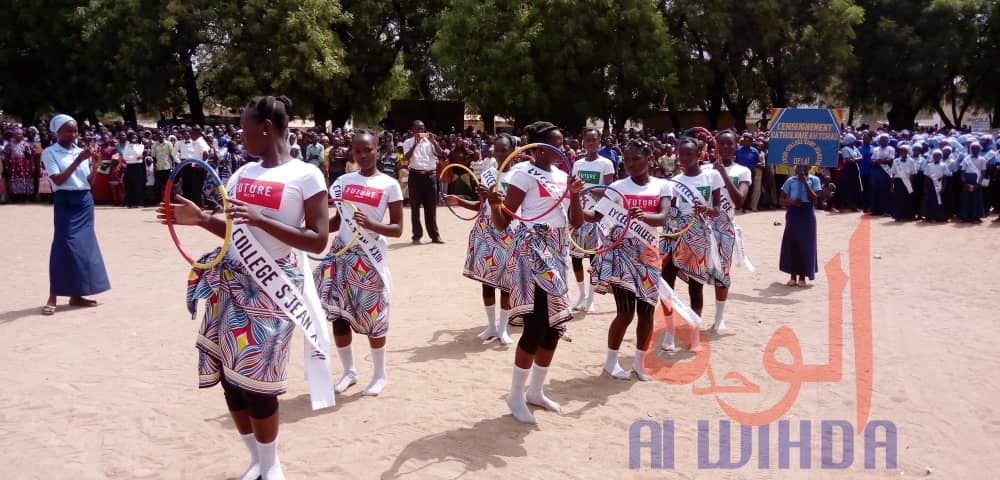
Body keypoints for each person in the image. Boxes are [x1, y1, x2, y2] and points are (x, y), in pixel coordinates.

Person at [157, 95, 329, 480]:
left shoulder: (306, 175)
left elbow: (319, 240)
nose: (240, 134)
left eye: (245, 127)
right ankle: (256, 459)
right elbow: (235, 232)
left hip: (273, 287)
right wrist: (201, 219)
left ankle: (272, 465)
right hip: (231, 283)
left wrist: (261, 220)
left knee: (258, 383)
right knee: (230, 380)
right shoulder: (241, 174)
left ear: (266, 129)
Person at [486, 121, 584, 424]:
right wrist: (493, 206)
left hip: (557, 250)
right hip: (531, 249)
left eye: (563, 143)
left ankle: (536, 391)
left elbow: (576, 223)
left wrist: (575, 194)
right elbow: (504, 221)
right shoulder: (523, 174)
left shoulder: (564, 176)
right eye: (555, 144)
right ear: (539, 148)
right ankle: (515, 394)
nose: (561, 149)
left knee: (555, 325)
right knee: (536, 323)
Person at [316, 130, 403, 397]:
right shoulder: (343, 181)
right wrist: (308, 230)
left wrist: (372, 224)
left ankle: (379, 374)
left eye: (369, 150)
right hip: (342, 257)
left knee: (374, 317)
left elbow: (398, 229)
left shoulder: (390, 185)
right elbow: (335, 222)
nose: (363, 155)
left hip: (370, 260)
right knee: (339, 318)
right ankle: (349, 372)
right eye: (358, 151)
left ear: (378, 150)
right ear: (352, 152)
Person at [587, 139, 671, 381]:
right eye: (627, 160)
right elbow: (595, 216)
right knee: (625, 313)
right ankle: (611, 363)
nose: (631, 164)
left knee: (646, 312)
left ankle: (639, 363)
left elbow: (663, 218)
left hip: (648, 254)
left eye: (636, 159)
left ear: (649, 159)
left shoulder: (662, 186)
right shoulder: (617, 188)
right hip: (621, 253)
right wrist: (573, 202)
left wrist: (644, 216)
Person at [444, 133, 519, 345]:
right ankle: (491, 326)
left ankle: (503, 328)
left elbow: (517, 210)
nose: (500, 154)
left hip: (510, 231)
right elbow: (480, 205)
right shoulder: (487, 174)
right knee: (486, 282)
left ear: (513, 150)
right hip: (485, 231)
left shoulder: (519, 176)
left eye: (505, 150)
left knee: (505, 283)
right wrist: (459, 200)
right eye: (497, 150)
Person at [657, 137, 724, 351]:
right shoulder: (673, 182)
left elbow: (717, 209)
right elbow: (669, 210)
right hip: (673, 233)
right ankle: (669, 334)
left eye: (689, 154)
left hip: (698, 235)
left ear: (698, 154)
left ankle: (695, 334)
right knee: (667, 285)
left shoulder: (711, 176)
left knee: (696, 286)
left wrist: (705, 210)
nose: (684, 158)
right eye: (681, 154)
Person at [41, 114, 111, 316]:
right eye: (68, 130)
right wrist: (79, 160)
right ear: (58, 132)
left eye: (75, 130)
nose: (73, 134)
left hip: (84, 202)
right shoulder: (50, 153)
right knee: (63, 246)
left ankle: (77, 295)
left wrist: (95, 165)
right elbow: (59, 180)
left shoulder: (82, 152)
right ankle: (53, 295)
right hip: (65, 201)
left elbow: (88, 182)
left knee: (83, 248)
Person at [703, 131, 750, 332]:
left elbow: (739, 200)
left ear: (736, 146)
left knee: (722, 274)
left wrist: (722, 174)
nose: (725, 147)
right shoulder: (704, 169)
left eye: (730, 144)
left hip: (724, 228)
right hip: (701, 226)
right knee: (694, 273)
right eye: (721, 144)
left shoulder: (742, 171)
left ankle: (719, 317)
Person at [569, 127, 615, 311]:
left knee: (593, 258)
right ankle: (581, 294)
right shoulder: (578, 164)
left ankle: (590, 298)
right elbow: (572, 187)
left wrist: (587, 188)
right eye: (588, 140)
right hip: (579, 214)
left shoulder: (606, 163)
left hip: (597, 216)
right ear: (583, 142)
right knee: (576, 258)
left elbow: (610, 190)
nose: (591, 144)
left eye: (594, 140)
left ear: (599, 141)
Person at [402, 120, 445, 244]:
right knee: (415, 207)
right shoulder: (408, 142)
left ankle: (435, 236)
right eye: (417, 129)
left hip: (430, 176)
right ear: (413, 130)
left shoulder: (430, 142)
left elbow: (441, 153)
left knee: (431, 208)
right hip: (415, 176)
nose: (420, 131)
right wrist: (415, 144)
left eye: (422, 129)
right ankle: (416, 236)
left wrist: (434, 141)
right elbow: (406, 158)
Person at [779, 165, 821, 287]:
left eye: (804, 166)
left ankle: (803, 276)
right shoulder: (790, 180)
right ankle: (793, 276)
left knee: (806, 244)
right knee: (792, 243)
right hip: (793, 212)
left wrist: (805, 183)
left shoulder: (815, 180)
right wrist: (791, 202)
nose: (801, 168)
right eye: (799, 166)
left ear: (809, 167)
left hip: (807, 213)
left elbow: (815, 200)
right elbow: (780, 200)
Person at [174, 127, 211, 208]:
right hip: (187, 164)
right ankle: (206, 205)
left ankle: (204, 206)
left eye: (191, 134)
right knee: (194, 187)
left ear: (196, 134)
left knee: (197, 188)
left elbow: (206, 153)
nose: (190, 136)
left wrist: (201, 164)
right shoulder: (197, 141)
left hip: (198, 167)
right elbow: (208, 151)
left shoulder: (199, 142)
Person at [3, 128, 37, 202]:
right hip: (13, 165)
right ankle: (15, 197)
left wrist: (33, 165)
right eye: (16, 134)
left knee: (25, 180)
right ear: (14, 135)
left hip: (25, 165)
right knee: (14, 180)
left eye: (20, 134)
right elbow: (6, 156)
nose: (18, 135)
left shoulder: (26, 144)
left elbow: (31, 156)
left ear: (22, 135)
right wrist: (6, 165)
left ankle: (24, 197)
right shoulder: (9, 144)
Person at [958, 142, 986, 222]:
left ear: (979, 149)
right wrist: (964, 182)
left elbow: (983, 172)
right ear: (970, 149)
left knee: (976, 199)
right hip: (967, 179)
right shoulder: (966, 158)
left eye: (976, 148)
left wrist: (979, 183)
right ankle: (965, 216)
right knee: (966, 199)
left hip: (976, 179)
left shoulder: (982, 159)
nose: (974, 150)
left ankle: (976, 216)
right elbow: (962, 171)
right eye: (973, 148)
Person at [837, 134, 864, 212]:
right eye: (853, 140)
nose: (854, 142)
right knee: (845, 186)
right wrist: (855, 159)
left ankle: (853, 205)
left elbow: (861, 157)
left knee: (855, 187)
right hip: (847, 169)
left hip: (854, 168)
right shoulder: (845, 149)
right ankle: (841, 205)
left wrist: (853, 159)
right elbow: (846, 160)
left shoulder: (855, 148)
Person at [870, 133, 895, 216]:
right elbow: (872, 160)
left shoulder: (891, 149)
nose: (883, 141)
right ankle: (876, 210)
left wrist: (879, 161)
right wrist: (879, 161)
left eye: (885, 140)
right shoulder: (876, 149)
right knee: (875, 190)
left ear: (888, 141)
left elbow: (890, 160)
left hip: (886, 172)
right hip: (877, 172)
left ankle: (886, 211)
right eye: (881, 140)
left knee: (885, 191)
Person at [923, 149, 949, 223]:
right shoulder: (929, 165)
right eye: (935, 155)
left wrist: (944, 186)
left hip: (940, 183)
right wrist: (925, 187)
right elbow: (926, 177)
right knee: (931, 201)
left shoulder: (944, 165)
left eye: (938, 155)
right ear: (933, 156)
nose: (937, 157)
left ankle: (940, 217)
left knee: (940, 201)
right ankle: (931, 217)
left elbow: (945, 176)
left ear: (941, 156)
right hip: (931, 184)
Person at [122, 132, 146, 208]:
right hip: (129, 167)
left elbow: (139, 154)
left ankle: (140, 203)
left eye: (135, 137)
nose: (134, 138)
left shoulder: (141, 146)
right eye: (132, 137)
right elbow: (125, 157)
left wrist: (131, 157)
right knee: (129, 185)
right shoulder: (127, 145)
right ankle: (129, 203)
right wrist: (134, 157)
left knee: (138, 185)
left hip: (138, 167)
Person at [152, 131, 175, 203]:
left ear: (164, 135)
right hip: (159, 168)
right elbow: (154, 157)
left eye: (162, 134)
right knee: (158, 186)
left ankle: (170, 200)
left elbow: (172, 156)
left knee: (169, 185)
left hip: (167, 167)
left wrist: (173, 166)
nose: (160, 136)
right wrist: (154, 167)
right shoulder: (154, 145)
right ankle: (158, 201)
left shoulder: (169, 144)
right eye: (159, 134)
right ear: (157, 136)